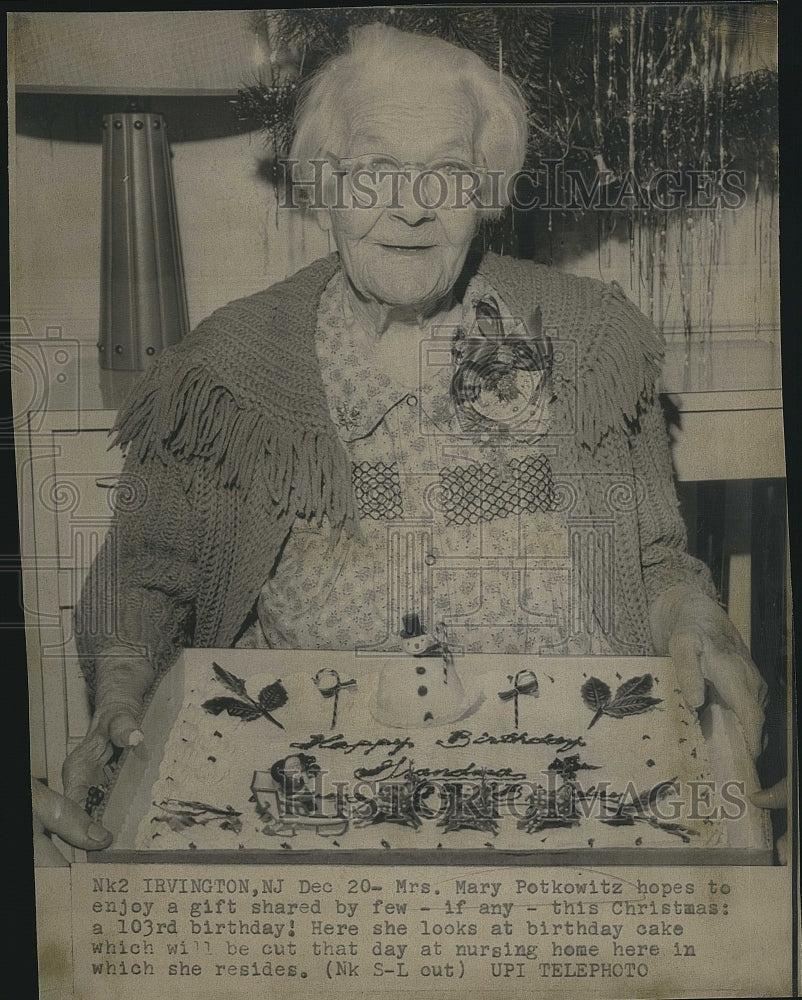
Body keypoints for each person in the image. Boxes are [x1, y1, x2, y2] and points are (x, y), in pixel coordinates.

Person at [59, 24, 774, 844]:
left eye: (446, 173)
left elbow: (653, 563)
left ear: (487, 193)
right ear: (323, 185)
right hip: (316, 788)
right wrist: (119, 697)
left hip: (569, 776)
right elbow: (143, 577)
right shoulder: (225, 373)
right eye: (376, 172)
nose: (410, 205)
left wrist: (699, 623)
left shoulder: (588, 341)